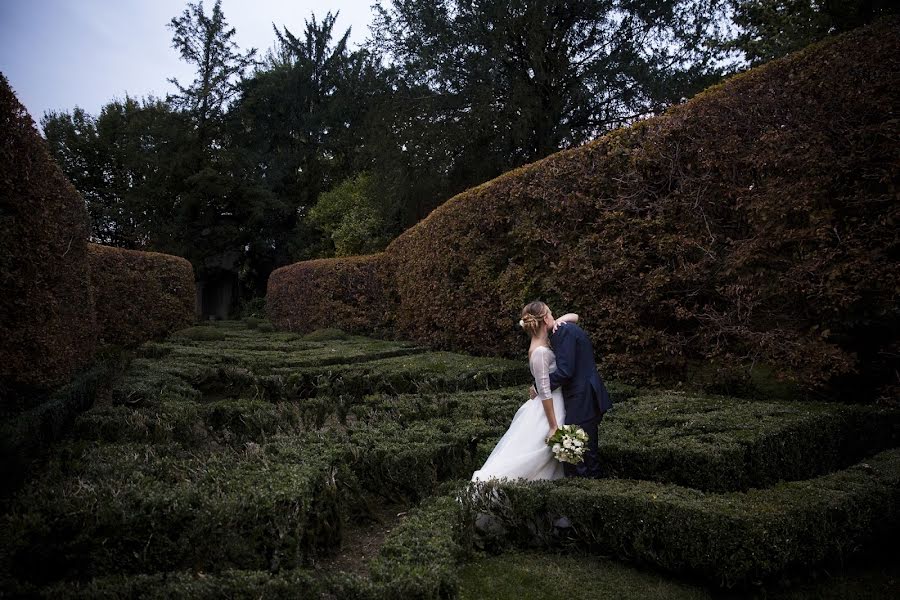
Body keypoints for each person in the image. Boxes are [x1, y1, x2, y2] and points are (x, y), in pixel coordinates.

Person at [470, 301, 578, 482]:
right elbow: (544, 391)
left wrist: (558, 320)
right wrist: (553, 426)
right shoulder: (540, 352)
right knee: (535, 457)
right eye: (551, 314)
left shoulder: (545, 341)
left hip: (558, 401)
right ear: (545, 318)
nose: (553, 317)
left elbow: (574, 316)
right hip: (550, 408)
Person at [541, 301, 611, 478]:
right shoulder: (563, 329)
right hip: (585, 395)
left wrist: (539, 386)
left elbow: (565, 371)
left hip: (583, 397)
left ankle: (588, 489)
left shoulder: (562, 331)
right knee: (586, 449)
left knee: (582, 452)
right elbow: (574, 316)